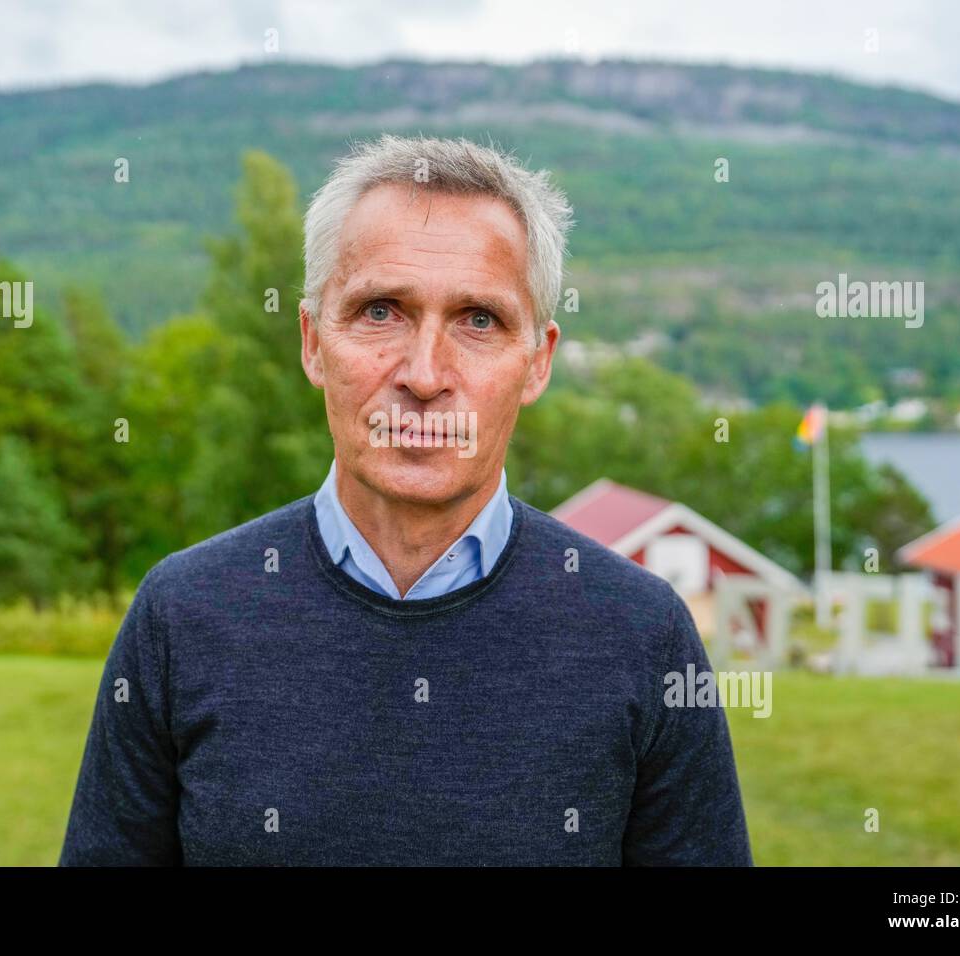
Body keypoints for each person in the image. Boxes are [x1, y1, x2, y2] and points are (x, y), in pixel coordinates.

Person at [59, 134, 752, 866]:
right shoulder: (182, 617)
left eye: (478, 320)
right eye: (381, 311)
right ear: (312, 342)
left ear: (538, 361)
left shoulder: (643, 635)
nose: (424, 375)